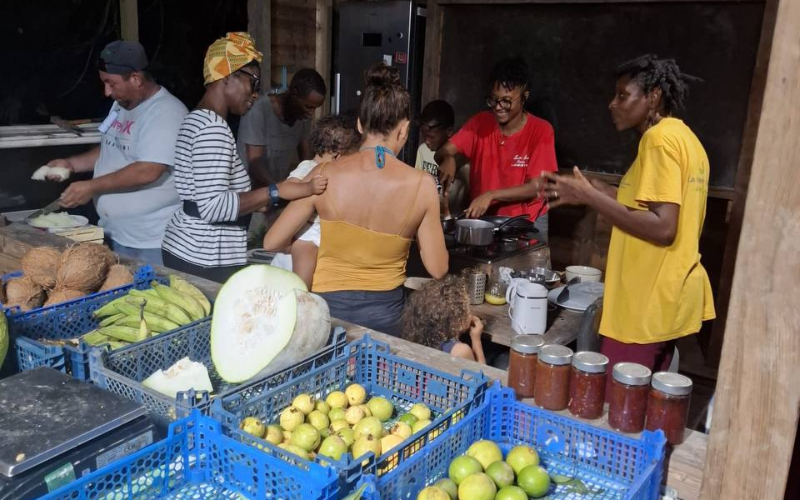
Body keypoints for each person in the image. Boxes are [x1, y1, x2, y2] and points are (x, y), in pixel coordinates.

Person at [542, 54, 716, 383]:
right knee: (649, 407)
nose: (613, 104)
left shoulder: (657, 141)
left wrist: (590, 197)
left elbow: (664, 226)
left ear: (653, 97)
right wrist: (602, 192)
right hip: (668, 298)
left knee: (621, 413)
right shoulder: (685, 140)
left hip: (643, 307)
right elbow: (650, 206)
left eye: (623, 95)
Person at [263, 63, 448, 335]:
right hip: (387, 322)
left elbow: (272, 241)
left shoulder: (325, 173)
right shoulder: (421, 185)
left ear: (360, 124)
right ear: (404, 130)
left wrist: (323, 246)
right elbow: (438, 268)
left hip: (328, 319)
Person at [161, 33, 326, 283]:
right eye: (254, 82)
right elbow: (213, 207)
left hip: (190, 248)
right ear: (229, 76)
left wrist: (254, 201)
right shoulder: (212, 128)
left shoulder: (197, 119)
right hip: (204, 256)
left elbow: (208, 195)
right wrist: (275, 191)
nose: (255, 93)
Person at [43, 40, 188, 265]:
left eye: (111, 83)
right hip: (115, 234)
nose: (107, 91)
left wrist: (91, 187)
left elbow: (148, 170)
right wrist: (71, 164)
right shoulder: (119, 106)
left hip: (151, 243)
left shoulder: (166, 113)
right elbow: (109, 145)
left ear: (136, 79)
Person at [434, 57, 557, 240]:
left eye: (506, 101)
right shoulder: (480, 123)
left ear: (525, 97)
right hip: (485, 221)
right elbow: (442, 152)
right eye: (493, 100)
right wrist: (449, 158)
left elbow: (536, 187)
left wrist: (492, 195)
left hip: (526, 221)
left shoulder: (541, 130)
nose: (498, 107)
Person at [269, 115, 362, 287]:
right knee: (305, 265)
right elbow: (283, 188)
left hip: (323, 228)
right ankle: (300, 298)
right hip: (307, 229)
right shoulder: (308, 167)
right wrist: (308, 188)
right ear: (337, 156)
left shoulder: (336, 173)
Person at [237, 68, 327, 186]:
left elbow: (306, 159)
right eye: (308, 107)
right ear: (294, 93)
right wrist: (280, 190)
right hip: (249, 192)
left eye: (316, 108)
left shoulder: (303, 116)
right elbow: (254, 164)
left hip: (276, 191)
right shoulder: (258, 110)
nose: (312, 113)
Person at [401, 276, 486, 363]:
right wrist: (476, 339)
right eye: (468, 309)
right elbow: (483, 374)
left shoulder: (418, 335)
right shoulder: (460, 351)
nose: (470, 314)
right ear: (457, 322)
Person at [415, 100, 470, 216]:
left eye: (431, 137)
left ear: (449, 132)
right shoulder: (422, 150)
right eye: (424, 136)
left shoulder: (462, 160)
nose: (427, 141)